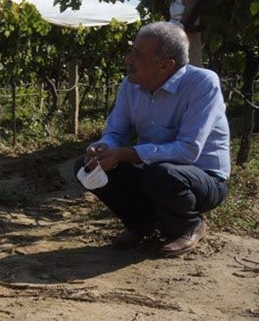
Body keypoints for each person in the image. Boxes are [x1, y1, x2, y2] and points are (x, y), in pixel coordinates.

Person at [77, 21, 231, 256]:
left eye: (137, 55)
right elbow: (115, 133)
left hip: (202, 179)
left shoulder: (202, 84)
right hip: (154, 173)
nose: (129, 60)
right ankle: (142, 224)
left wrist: (128, 154)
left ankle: (189, 225)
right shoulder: (130, 86)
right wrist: (103, 149)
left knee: (161, 173)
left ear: (165, 65)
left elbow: (188, 151)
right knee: (87, 167)